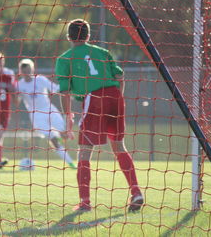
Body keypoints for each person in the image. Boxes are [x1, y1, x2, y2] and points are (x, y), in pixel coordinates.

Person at [55, 19, 144, 212]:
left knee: (84, 151)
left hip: (94, 99)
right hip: (114, 96)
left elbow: (65, 93)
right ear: (88, 35)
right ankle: (136, 192)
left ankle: (85, 202)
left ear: (68, 36)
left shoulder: (65, 59)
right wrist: (118, 99)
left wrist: (68, 117)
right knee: (119, 146)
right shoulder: (103, 53)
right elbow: (120, 78)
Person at [16, 58, 76, 169]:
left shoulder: (40, 80)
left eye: (29, 70)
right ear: (21, 72)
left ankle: (60, 135)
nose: (27, 73)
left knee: (65, 133)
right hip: (36, 115)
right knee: (53, 140)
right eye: (24, 72)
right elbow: (16, 101)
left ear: (33, 69)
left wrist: (68, 93)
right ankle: (71, 163)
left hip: (49, 110)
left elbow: (55, 88)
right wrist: (13, 94)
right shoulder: (19, 85)